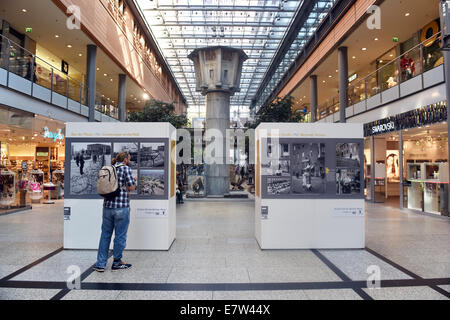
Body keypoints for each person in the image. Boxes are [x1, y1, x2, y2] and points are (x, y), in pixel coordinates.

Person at [93, 152, 137, 272]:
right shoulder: (125, 169)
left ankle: (100, 264)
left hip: (107, 207)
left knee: (105, 235)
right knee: (120, 236)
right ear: (125, 160)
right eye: (129, 158)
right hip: (121, 207)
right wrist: (134, 180)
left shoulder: (108, 168)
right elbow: (132, 187)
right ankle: (117, 262)